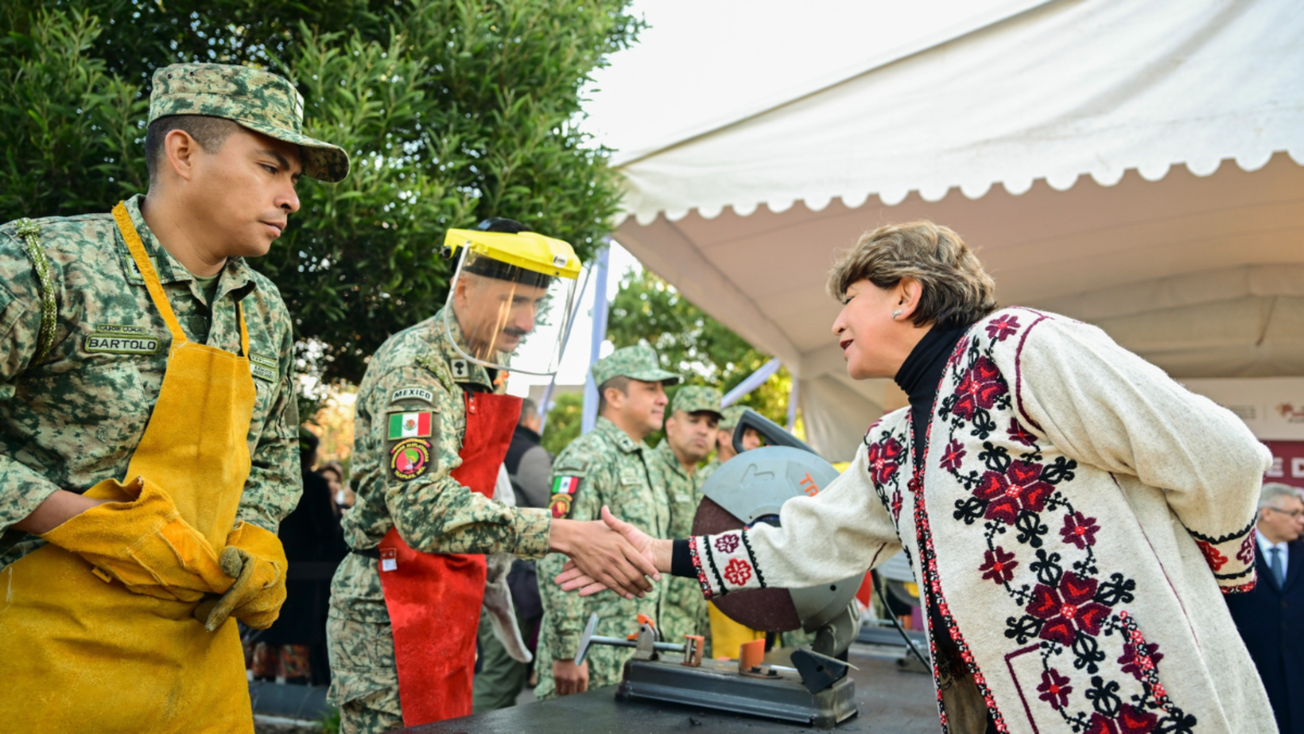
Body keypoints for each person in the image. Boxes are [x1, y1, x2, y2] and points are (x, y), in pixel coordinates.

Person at [563, 221, 1276, 734]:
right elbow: (806, 544)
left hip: (1138, 697)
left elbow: (1222, 457)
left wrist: (1229, 575)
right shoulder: (894, 443)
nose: (838, 321)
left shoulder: (1018, 349)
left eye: (850, 300)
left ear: (905, 295)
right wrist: (653, 554)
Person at [0, 63, 347, 732]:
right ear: (183, 152)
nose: (291, 199)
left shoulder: (263, 311)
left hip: (200, 674)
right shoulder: (45, 267)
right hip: (40, 668)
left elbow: (273, 462)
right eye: (271, 166)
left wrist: (254, 539)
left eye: (295, 180)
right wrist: (75, 520)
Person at [326, 220, 660, 734]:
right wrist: (561, 532)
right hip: (388, 605)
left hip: (453, 594)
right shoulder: (414, 366)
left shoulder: (488, 363)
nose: (527, 323)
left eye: (536, 305)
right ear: (464, 288)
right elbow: (422, 506)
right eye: (514, 302)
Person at [535, 343, 680, 699]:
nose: (662, 399)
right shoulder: (586, 457)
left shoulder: (647, 460)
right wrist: (568, 651)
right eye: (650, 389)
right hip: (591, 652)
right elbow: (555, 551)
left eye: (662, 389)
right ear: (614, 396)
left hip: (634, 649)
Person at [1225, 482, 1304, 734]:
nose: (1301, 521)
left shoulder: (1301, 552)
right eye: (1293, 514)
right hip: (1255, 667)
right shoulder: (1235, 554)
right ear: (1267, 513)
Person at [650, 385, 722, 646]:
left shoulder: (704, 483)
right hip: (651, 631)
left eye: (711, 424)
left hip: (691, 630)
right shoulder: (648, 469)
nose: (703, 430)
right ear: (670, 425)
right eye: (693, 420)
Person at [507, 397, 553, 509]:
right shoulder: (531, 453)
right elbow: (548, 502)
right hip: (522, 524)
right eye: (539, 420)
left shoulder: (494, 445)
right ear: (529, 419)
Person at [699, 404, 762, 481]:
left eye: (756, 435)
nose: (757, 442)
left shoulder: (750, 475)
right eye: (747, 434)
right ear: (723, 438)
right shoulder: (708, 479)